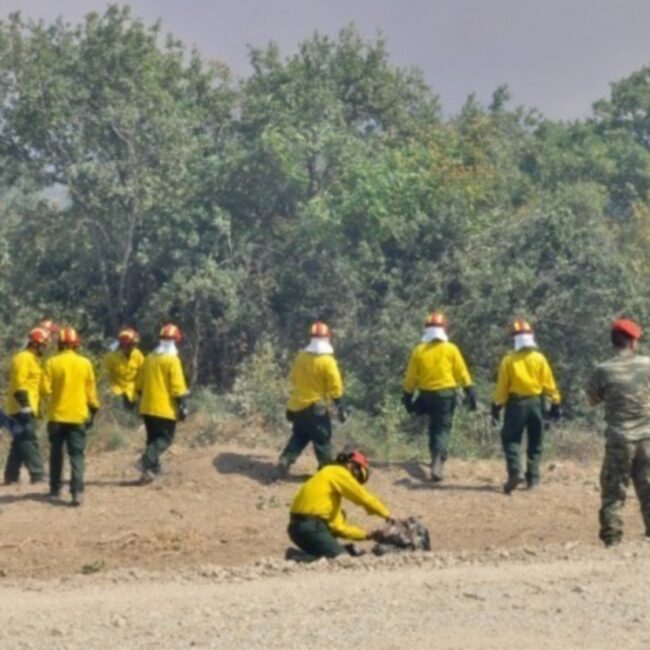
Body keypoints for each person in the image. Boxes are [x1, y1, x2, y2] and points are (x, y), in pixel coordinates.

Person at [587, 318, 650, 547]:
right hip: (647, 438)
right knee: (648, 487)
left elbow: (592, 400)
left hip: (619, 440)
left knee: (613, 490)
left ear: (614, 342)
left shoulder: (602, 370)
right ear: (633, 342)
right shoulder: (648, 364)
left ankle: (612, 540)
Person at [402, 312, 477, 482]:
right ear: (444, 329)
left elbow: (410, 377)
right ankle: (438, 459)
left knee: (433, 426)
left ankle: (434, 457)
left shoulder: (419, 350)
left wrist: (407, 396)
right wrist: (470, 391)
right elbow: (462, 372)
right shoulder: (451, 349)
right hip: (446, 395)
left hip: (426, 395)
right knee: (442, 428)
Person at [491, 319, 561, 494]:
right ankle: (533, 479)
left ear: (514, 338)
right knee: (536, 440)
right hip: (537, 403)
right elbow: (549, 383)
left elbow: (502, 387)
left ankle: (516, 471)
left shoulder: (508, 360)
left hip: (516, 404)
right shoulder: (539, 358)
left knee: (510, 438)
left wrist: (497, 406)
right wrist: (556, 402)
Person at [287, 448, 391, 558]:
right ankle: (298, 558)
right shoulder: (337, 472)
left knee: (341, 516)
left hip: (298, 529)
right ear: (351, 465)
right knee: (342, 558)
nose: (354, 482)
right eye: (357, 476)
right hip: (312, 528)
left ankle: (300, 557)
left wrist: (368, 535)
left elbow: (338, 528)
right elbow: (363, 497)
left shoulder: (325, 486)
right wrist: (388, 516)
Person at [278, 321, 347, 478]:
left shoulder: (301, 357)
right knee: (322, 439)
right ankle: (327, 471)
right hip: (317, 408)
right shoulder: (328, 361)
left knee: (299, 435)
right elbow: (335, 386)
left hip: (297, 405)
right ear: (327, 337)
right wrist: (341, 406)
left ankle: (285, 459)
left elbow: (294, 379)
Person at [41, 327, 100, 506]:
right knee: (76, 455)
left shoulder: (51, 363)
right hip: (77, 417)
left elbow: (44, 390)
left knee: (56, 454)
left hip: (56, 417)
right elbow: (91, 393)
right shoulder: (85, 363)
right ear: (76, 344)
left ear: (59, 344)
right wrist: (94, 408)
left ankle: (55, 489)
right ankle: (77, 492)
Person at [135, 323, 189, 484]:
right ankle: (145, 462)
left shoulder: (149, 358)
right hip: (164, 409)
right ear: (176, 341)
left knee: (152, 440)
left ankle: (152, 470)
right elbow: (177, 387)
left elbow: (139, 386)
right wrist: (183, 405)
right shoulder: (172, 360)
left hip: (147, 407)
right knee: (165, 439)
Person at [3, 327, 50, 485]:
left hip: (28, 407)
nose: (45, 348)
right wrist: (25, 405)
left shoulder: (35, 360)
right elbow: (19, 382)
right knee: (28, 439)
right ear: (34, 344)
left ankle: (11, 476)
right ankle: (37, 473)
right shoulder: (23, 358)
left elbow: (39, 386)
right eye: (43, 345)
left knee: (20, 441)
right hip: (20, 407)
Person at [102, 327, 145, 410]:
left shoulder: (137, 354)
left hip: (134, 394)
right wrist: (112, 391)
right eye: (132, 344)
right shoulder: (110, 357)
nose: (134, 346)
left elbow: (144, 372)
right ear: (125, 344)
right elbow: (105, 377)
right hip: (116, 395)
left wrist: (140, 388)